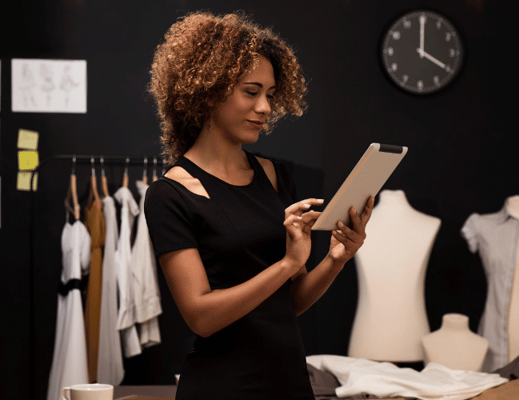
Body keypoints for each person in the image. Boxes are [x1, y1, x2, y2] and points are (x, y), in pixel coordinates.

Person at [144, 11, 374, 400]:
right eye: (251, 92)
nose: (266, 108)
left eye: (269, 94)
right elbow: (200, 316)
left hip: (288, 384)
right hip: (222, 388)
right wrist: (286, 263)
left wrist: (337, 257)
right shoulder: (170, 194)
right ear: (209, 91)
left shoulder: (273, 175)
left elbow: (290, 303)